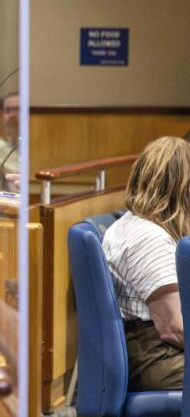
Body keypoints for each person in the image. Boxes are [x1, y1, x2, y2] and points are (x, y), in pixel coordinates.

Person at [102, 136, 190, 391]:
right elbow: (173, 328)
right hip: (156, 357)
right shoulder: (149, 238)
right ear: (180, 189)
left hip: (154, 349)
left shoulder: (134, 223)